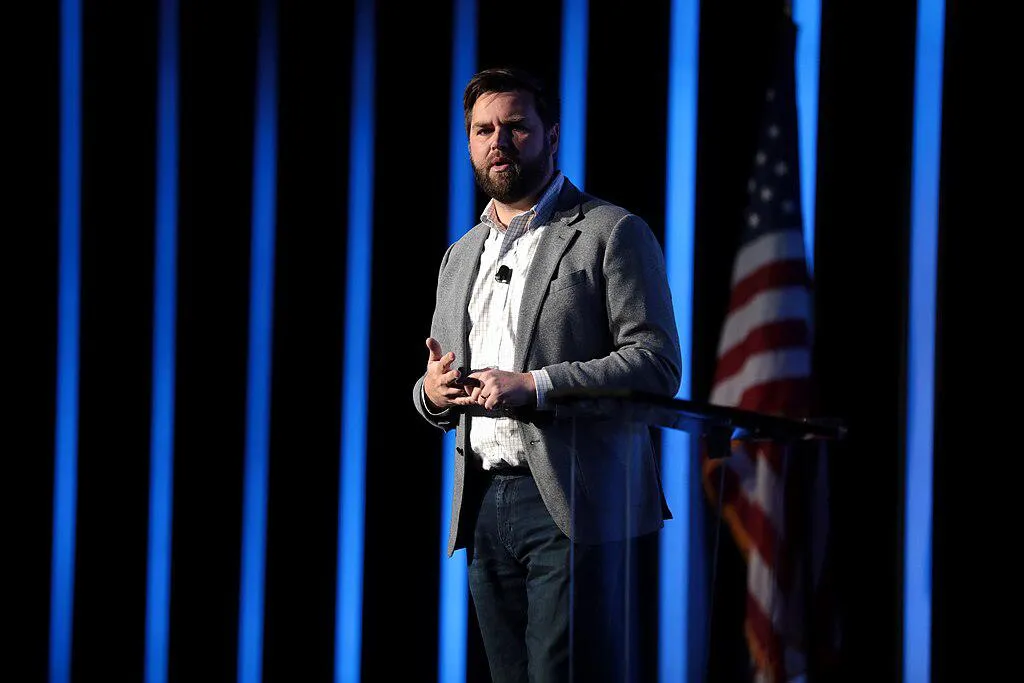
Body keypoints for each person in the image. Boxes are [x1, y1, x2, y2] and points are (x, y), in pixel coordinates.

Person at [412, 66, 682, 683]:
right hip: (481, 500)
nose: (498, 143)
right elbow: (434, 380)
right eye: (483, 130)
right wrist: (432, 394)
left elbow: (656, 362)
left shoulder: (611, 232)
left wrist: (534, 386)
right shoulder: (461, 254)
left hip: (572, 493)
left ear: (551, 135)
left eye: (515, 128)